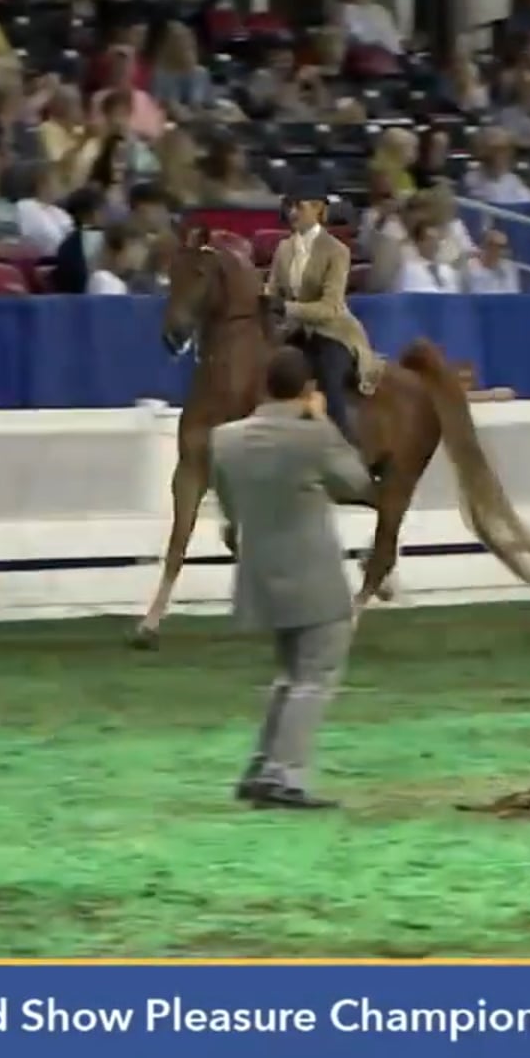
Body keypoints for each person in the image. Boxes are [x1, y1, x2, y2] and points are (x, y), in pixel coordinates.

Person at [214, 346, 374, 811]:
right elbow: (357, 482)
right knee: (315, 677)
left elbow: (229, 510)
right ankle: (285, 776)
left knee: (289, 675)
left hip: (262, 573)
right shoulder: (312, 438)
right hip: (314, 575)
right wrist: (323, 423)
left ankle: (263, 765)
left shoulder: (225, 440)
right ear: (308, 390)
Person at [264, 177, 381, 451]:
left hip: (333, 333)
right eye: (290, 206)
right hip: (296, 333)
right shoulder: (283, 249)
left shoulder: (337, 251)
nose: (292, 213)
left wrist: (287, 308)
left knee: (329, 382)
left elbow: (330, 308)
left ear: (318, 209)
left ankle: (347, 449)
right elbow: (274, 289)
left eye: (299, 207)